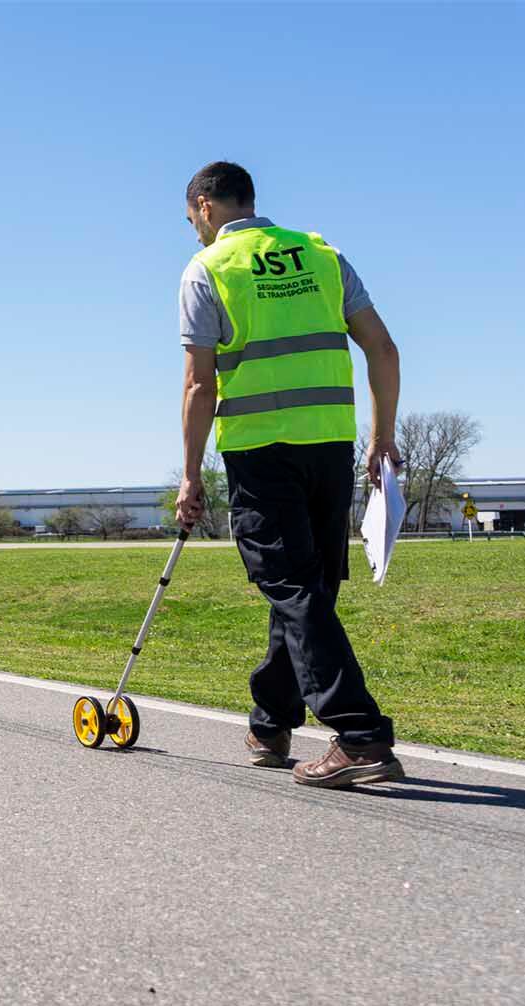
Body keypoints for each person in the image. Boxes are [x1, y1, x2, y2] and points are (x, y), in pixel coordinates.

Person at [176, 161, 405, 788]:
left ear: (203, 206)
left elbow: (199, 383)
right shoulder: (322, 255)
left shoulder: (209, 269)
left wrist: (190, 475)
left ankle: (359, 736)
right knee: (306, 587)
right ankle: (272, 720)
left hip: (259, 452)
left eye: (190, 218)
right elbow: (382, 349)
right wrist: (382, 440)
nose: (193, 229)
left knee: (294, 588)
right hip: (330, 446)